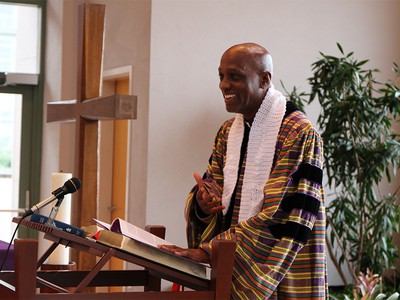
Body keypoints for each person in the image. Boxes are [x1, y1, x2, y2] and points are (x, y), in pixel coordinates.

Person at [160, 42, 328, 299]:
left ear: (264, 79)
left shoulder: (298, 133)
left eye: (234, 76)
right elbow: (213, 190)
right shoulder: (228, 132)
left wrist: (211, 250)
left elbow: (283, 214)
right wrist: (204, 203)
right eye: (221, 76)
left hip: (280, 271)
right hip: (230, 264)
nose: (223, 85)